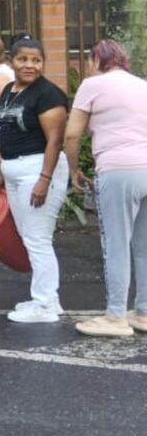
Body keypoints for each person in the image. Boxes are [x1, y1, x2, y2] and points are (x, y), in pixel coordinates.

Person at [64, 39, 147, 337]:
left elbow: (72, 135)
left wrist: (74, 170)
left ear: (97, 60)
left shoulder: (92, 84)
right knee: (144, 246)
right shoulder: (142, 85)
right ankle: (144, 312)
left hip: (117, 169)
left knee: (116, 244)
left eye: (89, 60)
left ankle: (115, 316)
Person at [0, 37, 69, 323]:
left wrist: (44, 180)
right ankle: (48, 299)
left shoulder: (48, 95)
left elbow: (55, 141)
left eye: (36, 60)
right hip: (15, 171)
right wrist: (3, 172)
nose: (30, 65)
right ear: (11, 61)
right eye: (23, 59)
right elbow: (7, 131)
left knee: (38, 239)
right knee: (29, 236)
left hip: (38, 169)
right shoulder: (10, 90)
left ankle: (46, 304)